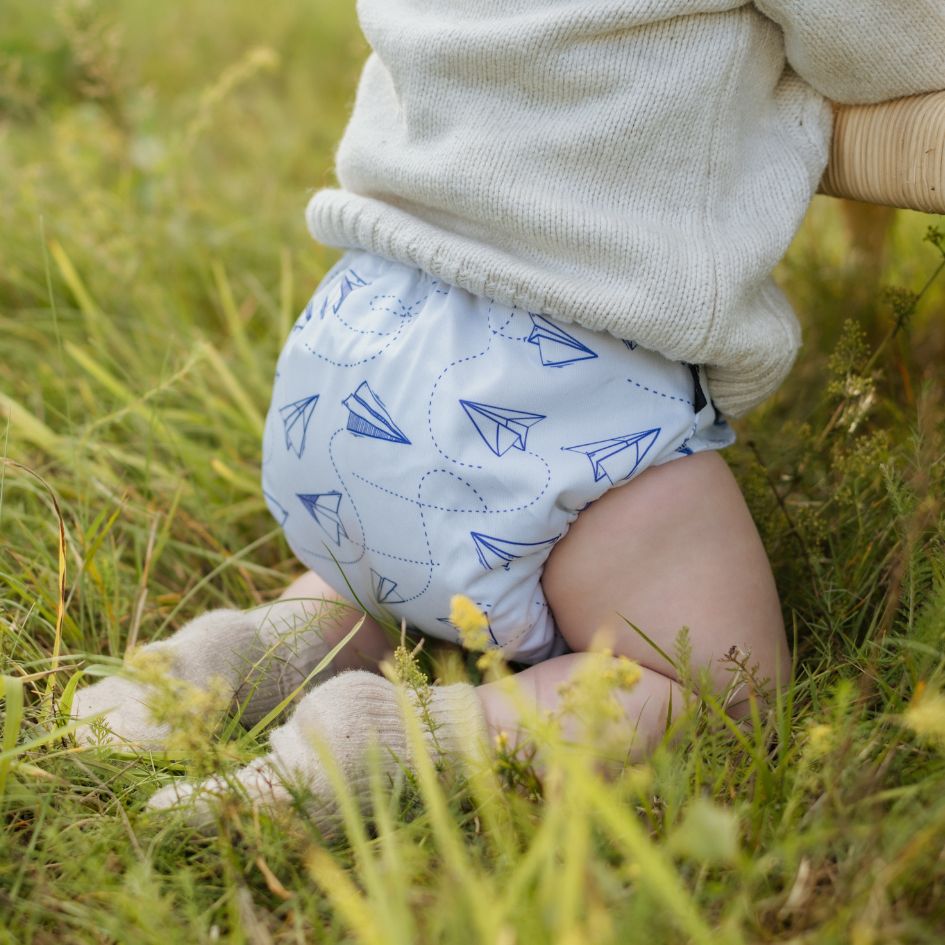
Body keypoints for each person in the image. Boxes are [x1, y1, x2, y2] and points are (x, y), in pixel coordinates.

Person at [72, 1, 945, 825]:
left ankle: (227, 663)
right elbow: (897, 50)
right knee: (718, 684)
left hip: (358, 336)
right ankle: (393, 747)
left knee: (381, 584)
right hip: (559, 371)